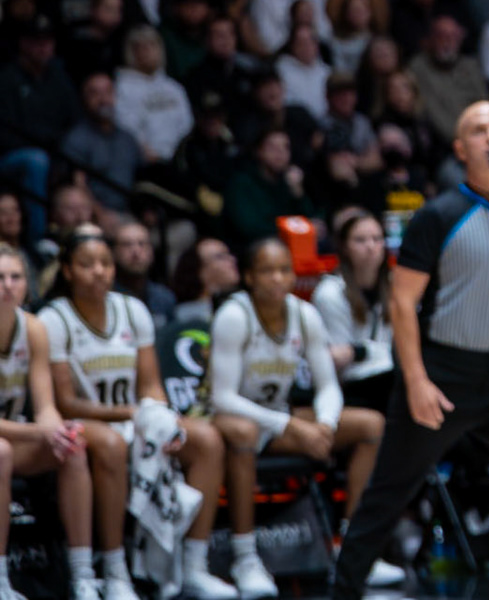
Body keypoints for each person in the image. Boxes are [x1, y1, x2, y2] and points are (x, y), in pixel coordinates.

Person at [329, 101, 489, 600]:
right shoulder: (438, 215)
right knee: (385, 497)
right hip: (441, 375)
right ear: (460, 149)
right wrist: (416, 381)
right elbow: (402, 304)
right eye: (478, 131)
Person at [43, 227, 237, 599]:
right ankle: (115, 571)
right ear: (67, 271)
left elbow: (150, 384)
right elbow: (64, 401)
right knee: (113, 445)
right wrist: (128, 412)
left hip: (133, 418)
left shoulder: (132, 309)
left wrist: (157, 414)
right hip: (85, 420)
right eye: (87, 265)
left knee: (208, 440)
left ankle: (194, 565)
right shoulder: (55, 318)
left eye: (105, 263)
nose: (99, 271)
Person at [207, 238, 405, 597]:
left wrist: (326, 426)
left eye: (284, 270)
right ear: (249, 277)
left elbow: (327, 385)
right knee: (244, 432)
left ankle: (352, 545)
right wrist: (292, 426)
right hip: (231, 419)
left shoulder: (304, 313)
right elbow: (223, 398)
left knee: (370, 425)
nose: (277, 279)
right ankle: (245, 556)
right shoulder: (234, 316)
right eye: (267, 271)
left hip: (279, 416)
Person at [0, 243, 98, 600]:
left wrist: (56, 430)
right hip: (6, 443)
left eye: (16, 277)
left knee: (73, 447)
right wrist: (39, 430)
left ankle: (84, 575)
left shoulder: (34, 328)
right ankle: (1, 582)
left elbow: (45, 406)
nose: (8, 285)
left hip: (15, 438)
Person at [311, 208, 395, 411]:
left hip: (390, 375)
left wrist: (361, 350)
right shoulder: (329, 292)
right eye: (360, 240)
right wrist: (380, 353)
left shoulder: (395, 286)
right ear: (344, 247)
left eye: (377, 239)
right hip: (351, 387)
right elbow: (341, 361)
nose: (371, 247)